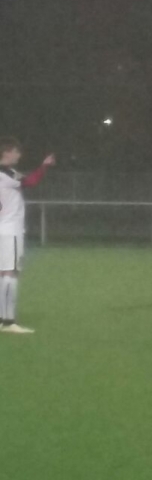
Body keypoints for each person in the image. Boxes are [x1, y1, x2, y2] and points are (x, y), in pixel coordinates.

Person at [0, 137, 56, 333]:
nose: (19, 155)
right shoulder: (6, 174)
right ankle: (9, 322)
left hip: (2, 228)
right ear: (6, 152)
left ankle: (3, 319)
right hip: (10, 230)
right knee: (11, 273)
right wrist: (44, 166)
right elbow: (31, 181)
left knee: (3, 273)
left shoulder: (7, 173)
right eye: (16, 151)